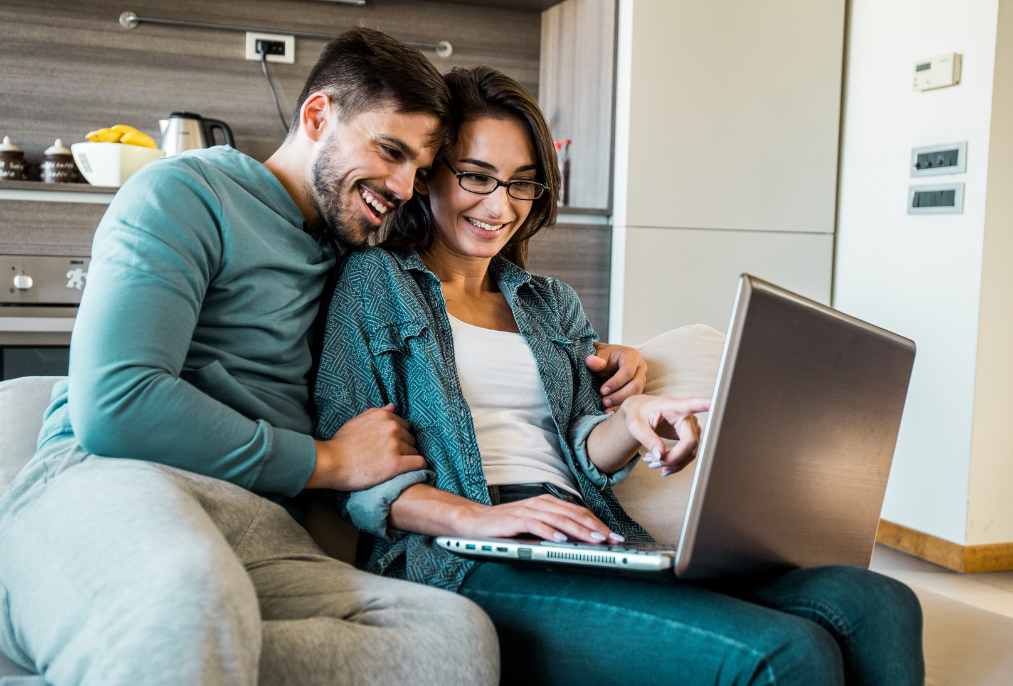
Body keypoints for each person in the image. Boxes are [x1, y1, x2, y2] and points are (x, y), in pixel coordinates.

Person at [0, 30, 651, 686]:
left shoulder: (359, 258)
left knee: (450, 635)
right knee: (188, 592)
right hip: (113, 484)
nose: (400, 186)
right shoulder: (185, 192)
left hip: (259, 525)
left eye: (419, 171)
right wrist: (331, 461)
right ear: (318, 116)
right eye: (388, 151)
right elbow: (117, 407)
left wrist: (591, 356)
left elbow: (456, 319)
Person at [313, 66, 926, 686]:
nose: (500, 206)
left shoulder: (550, 302)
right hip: (465, 556)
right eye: (476, 176)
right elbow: (355, 475)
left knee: (877, 601)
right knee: (786, 652)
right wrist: (479, 519)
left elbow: (584, 449)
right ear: (427, 177)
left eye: (522, 185)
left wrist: (630, 424)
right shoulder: (374, 283)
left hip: (586, 531)